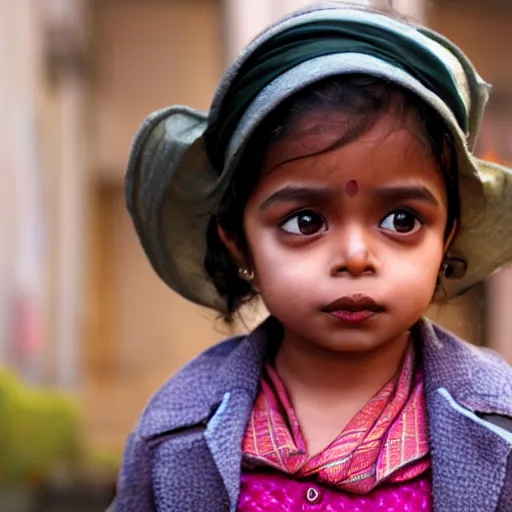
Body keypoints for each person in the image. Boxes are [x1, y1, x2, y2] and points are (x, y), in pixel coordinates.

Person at [110, 2, 512, 511]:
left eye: (402, 220)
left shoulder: (500, 423)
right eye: (306, 221)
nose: (356, 256)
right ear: (237, 240)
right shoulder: (175, 430)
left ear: (447, 237)